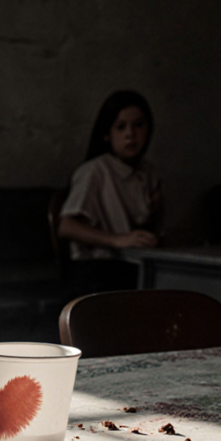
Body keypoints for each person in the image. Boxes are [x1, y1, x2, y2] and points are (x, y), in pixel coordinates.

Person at [57, 90, 163, 298]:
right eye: (121, 127)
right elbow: (66, 226)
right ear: (107, 133)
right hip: (98, 270)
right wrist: (118, 240)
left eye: (139, 125)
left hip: (134, 265)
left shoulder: (148, 173)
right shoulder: (95, 171)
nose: (130, 134)